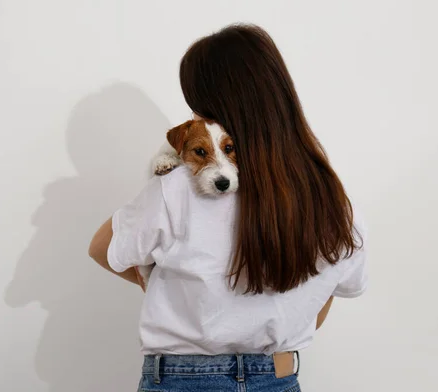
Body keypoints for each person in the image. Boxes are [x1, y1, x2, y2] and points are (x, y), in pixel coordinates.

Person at [88, 24, 367, 392]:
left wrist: (171, 297)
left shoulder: (178, 186)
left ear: (215, 103)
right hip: (277, 377)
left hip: (182, 380)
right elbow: (334, 290)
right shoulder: (326, 195)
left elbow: (103, 249)